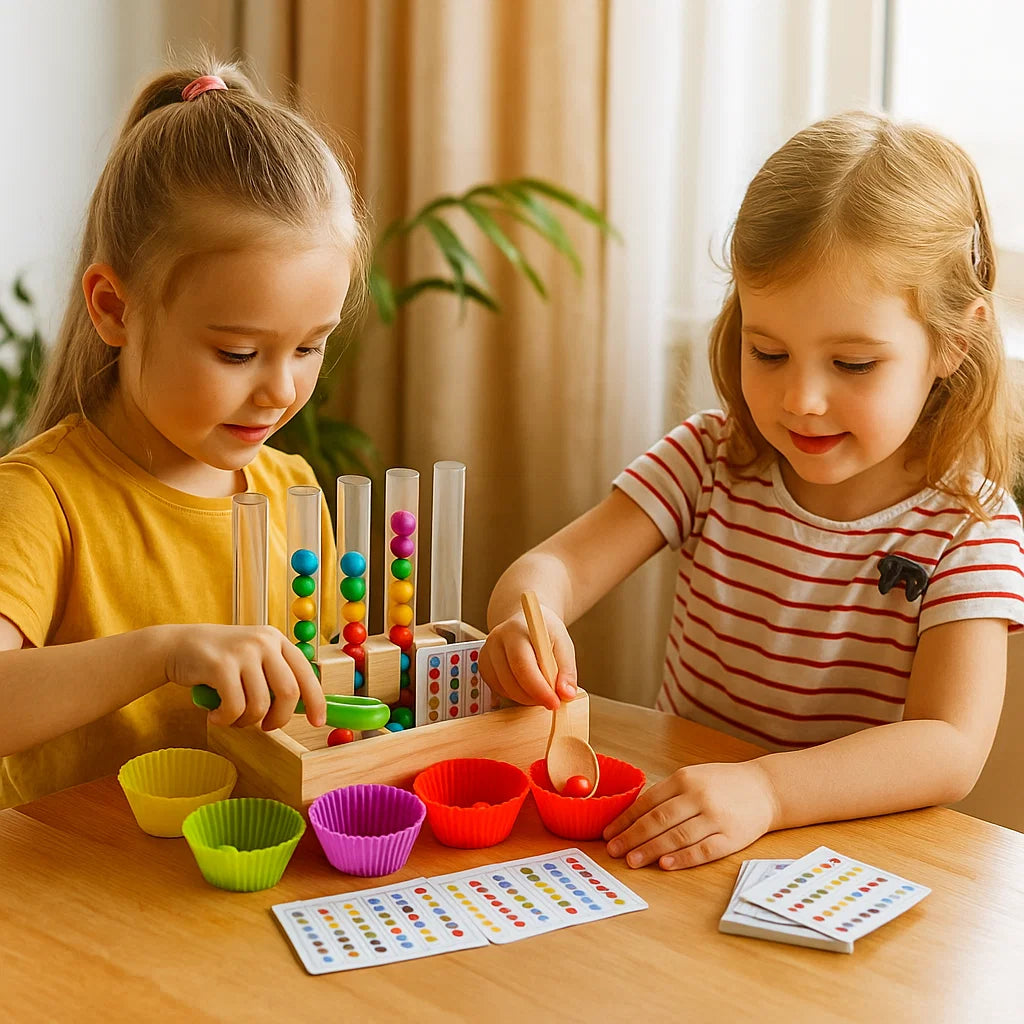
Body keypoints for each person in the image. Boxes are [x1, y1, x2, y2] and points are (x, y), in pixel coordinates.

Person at [480, 111, 1024, 870]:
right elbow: (554, 570)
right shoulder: (710, 459)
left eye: (854, 364)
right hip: (691, 834)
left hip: (845, 859)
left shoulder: (971, 528)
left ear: (952, 343)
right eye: (768, 351)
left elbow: (948, 747)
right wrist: (521, 621)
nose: (801, 398)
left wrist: (767, 791)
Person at [0, 58, 367, 808]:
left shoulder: (291, 490)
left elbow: (331, 696)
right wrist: (162, 653)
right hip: (76, 906)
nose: (280, 390)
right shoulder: (42, 500)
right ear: (113, 308)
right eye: (237, 353)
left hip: (241, 885)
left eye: (307, 347)